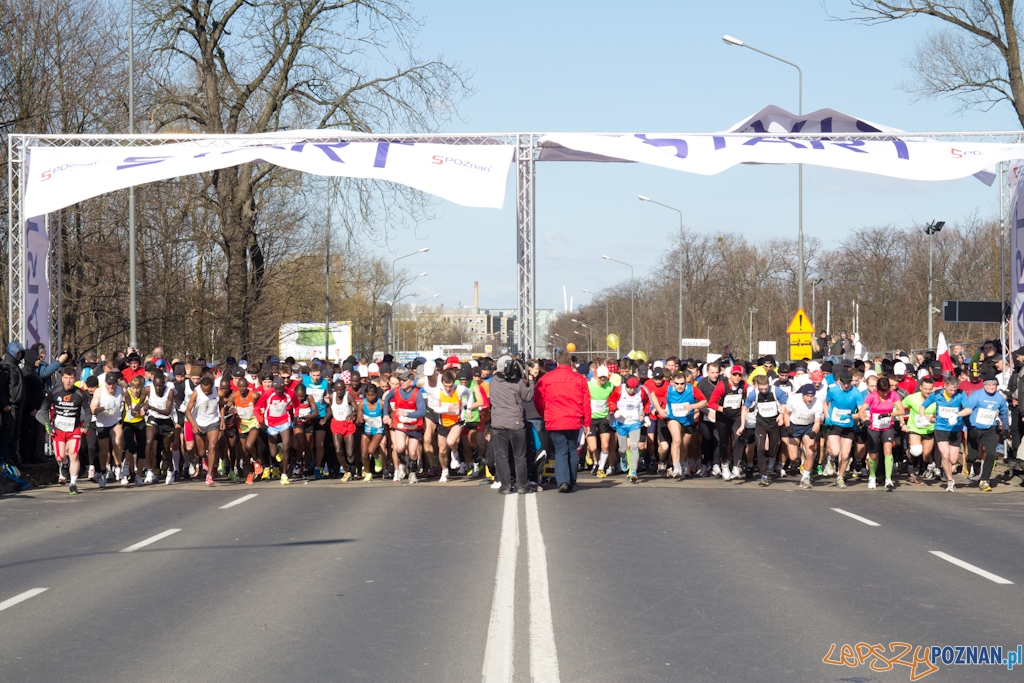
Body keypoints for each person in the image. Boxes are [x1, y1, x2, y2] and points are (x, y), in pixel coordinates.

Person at [535, 350, 590, 493]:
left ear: (557, 362)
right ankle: (571, 481)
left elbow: (538, 399)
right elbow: (586, 402)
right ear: (571, 363)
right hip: (574, 419)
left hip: (554, 418)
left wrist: (545, 414)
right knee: (572, 449)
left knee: (560, 450)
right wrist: (587, 422)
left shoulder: (546, 379)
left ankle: (563, 481)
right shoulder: (580, 379)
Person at [488, 355, 535, 494]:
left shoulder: (493, 381)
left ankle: (505, 486)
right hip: (515, 422)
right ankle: (522, 486)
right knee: (519, 456)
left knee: (501, 456)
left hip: (498, 423)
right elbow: (528, 397)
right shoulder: (518, 382)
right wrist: (531, 383)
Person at [39, 366, 88, 494]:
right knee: (60, 457)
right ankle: (64, 464)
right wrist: (48, 426)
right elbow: (44, 409)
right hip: (59, 429)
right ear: (62, 378)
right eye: (66, 378)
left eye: (71, 378)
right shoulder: (54, 392)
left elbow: (88, 412)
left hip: (74, 429)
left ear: (75, 379)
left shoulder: (80, 394)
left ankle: (73, 484)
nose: (68, 381)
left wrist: (85, 426)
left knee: (74, 454)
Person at [920, 375, 973, 492]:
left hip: (955, 429)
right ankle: (950, 480)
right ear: (945, 386)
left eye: (954, 390)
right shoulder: (937, 394)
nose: (952, 392)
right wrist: (923, 417)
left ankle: (948, 470)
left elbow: (969, 409)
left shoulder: (960, 394)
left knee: (953, 460)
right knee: (945, 455)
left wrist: (957, 415)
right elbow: (923, 406)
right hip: (940, 428)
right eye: (950, 390)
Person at [741, 374, 788, 487]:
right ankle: (763, 475)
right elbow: (745, 409)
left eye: (765, 388)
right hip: (761, 423)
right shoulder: (754, 394)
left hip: (774, 423)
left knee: (772, 450)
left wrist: (781, 415)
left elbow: (785, 403)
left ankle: (770, 456)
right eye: (761, 389)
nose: (763, 391)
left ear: (769, 385)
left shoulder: (777, 391)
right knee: (760, 448)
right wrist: (742, 425)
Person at [859, 376, 905, 491]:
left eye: (886, 391)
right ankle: (872, 476)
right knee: (874, 455)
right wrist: (865, 421)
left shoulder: (893, 395)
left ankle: (888, 478)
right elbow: (861, 411)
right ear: (877, 389)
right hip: (874, 427)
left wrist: (889, 415)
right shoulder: (872, 396)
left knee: (888, 450)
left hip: (887, 427)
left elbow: (901, 410)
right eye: (882, 392)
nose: (885, 394)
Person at [965, 374, 1009, 492]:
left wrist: (1004, 426)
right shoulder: (976, 395)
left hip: (990, 428)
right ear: (984, 385)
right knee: (974, 455)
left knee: (991, 454)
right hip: (975, 427)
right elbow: (966, 410)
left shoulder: (999, 398)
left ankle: (984, 480)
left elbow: (1004, 412)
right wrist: (968, 427)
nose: (991, 387)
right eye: (989, 384)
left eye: (994, 384)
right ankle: (969, 462)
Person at [609, 375, 648, 483]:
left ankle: (634, 472)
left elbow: (647, 403)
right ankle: (623, 458)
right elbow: (611, 401)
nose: (632, 390)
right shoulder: (619, 390)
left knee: (634, 446)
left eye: (634, 388)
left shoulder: (642, 391)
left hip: (634, 422)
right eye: (630, 388)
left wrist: (646, 415)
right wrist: (615, 410)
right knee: (622, 449)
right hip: (622, 423)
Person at [786, 383, 823, 489]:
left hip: (808, 427)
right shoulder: (793, 399)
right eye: (807, 396)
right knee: (793, 457)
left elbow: (817, 422)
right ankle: (799, 453)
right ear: (803, 395)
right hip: (794, 425)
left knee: (810, 453)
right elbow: (786, 414)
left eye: (812, 396)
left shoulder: (818, 404)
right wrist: (788, 427)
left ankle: (805, 478)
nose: (810, 399)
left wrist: (814, 432)